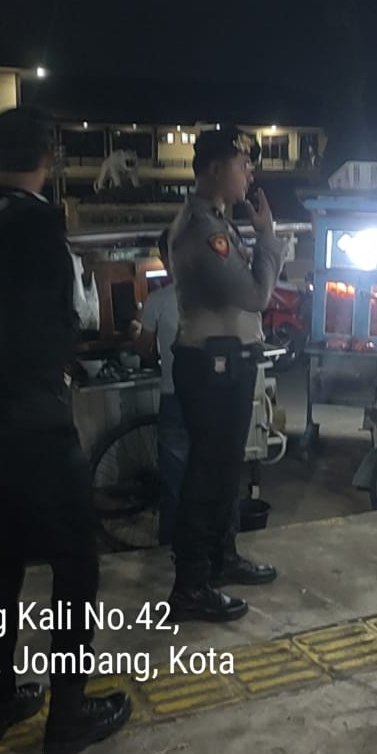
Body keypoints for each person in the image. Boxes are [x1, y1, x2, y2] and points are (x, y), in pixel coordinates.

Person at [0, 107, 130, 754]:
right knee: (75, 566)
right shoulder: (36, 223)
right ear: (49, 158)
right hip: (31, 425)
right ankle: (67, 717)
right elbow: (39, 334)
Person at [166, 128, 281, 624]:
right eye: (241, 164)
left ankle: (220, 557)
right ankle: (190, 585)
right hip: (211, 367)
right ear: (214, 169)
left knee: (223, 470)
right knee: (207, 475)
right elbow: (256, 296)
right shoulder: (202, 229)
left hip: (225, 363)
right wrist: (268, 237)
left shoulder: (216, 223)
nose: (249, 173)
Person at [132, 230, 242, 547]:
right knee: (221, 477)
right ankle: (225, 547)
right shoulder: (221, 295)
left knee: (176, 483)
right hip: (218, 400)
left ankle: (173, 549)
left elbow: (143, 349)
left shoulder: (157, 301)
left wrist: (136, 329)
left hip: (175, 399)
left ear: (167, 260)